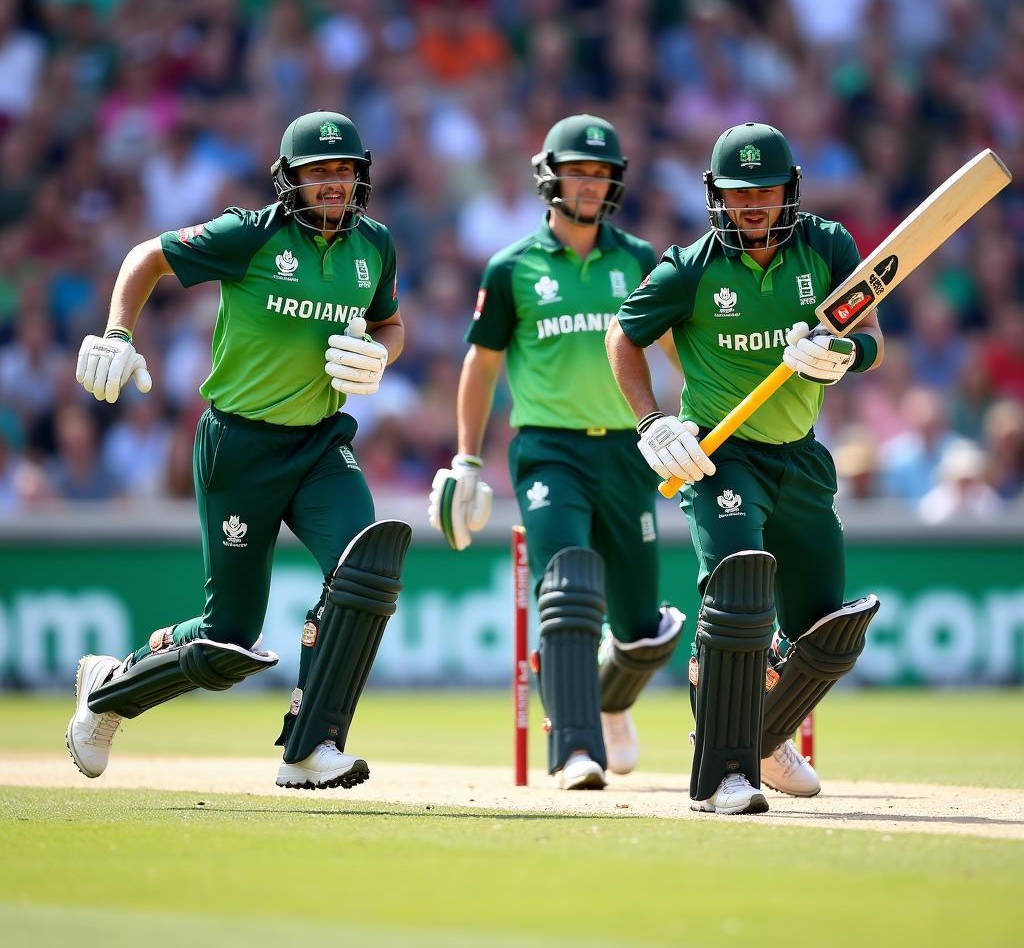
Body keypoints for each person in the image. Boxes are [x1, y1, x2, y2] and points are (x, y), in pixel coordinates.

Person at [66, 110, 411, 791]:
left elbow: (390, 322)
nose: (334, 185)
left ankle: (311, 746)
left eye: (345, 171)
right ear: (290, 180)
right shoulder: (249, 236)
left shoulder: (375, 245)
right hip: (239, 445)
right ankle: (107, 688)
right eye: (319, 173)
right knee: (228, 640)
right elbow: (147, 257)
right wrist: (117, 333)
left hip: (319, 443)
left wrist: (381, 353)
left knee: (366, 569)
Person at [606, 122, 884, 814]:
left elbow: (872, 334)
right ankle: (723, 766)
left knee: (825, 630)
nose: (752, 204)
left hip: (801, 455)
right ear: (716, 197)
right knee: (737, 598)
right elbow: (623, 336)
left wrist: (847, 355)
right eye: (737, 193)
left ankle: (767, 736)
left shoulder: (828, 246)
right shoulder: (691, 267)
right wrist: (652, 421)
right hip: (720, 455)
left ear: (790, 190)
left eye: (764, 190)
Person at [429, 115, 683, 790]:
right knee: (567, 587)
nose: (592, 186)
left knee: (642, 631)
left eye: (602, 175)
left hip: (631, 452)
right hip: (549, 451)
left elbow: (679, 349)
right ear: (550, 176)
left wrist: (694, 418)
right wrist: (467, 458)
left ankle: (612, 698)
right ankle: (576, 748)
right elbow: (481, 366)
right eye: (580, 172)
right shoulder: (512, 267)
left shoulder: (637, 259)